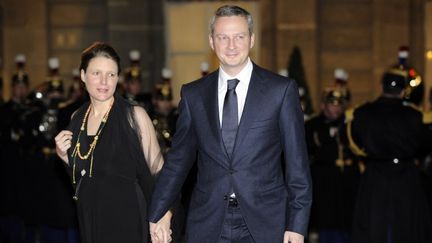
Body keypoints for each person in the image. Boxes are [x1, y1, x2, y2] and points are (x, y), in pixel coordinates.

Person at [148, 5, 312, 243]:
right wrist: (159, 211)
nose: (231, 45)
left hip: (266, 222)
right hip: (208, 221)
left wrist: (297, 226)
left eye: (239, 36)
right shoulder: (194, 95)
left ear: (252, 39)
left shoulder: (281, 91)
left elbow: (298, 165)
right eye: (223, 37)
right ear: (212, 42)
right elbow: (178, 160)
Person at [54, 42, 172, 243]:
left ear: (118, 78)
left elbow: (160, 172)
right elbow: (82, 180)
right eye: (96, 73)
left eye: (111, 74)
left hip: (128, 218)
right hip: (90, 218)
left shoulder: (134, 116)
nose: (104, 81)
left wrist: (164, 215)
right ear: (82, 75)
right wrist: (65, 157)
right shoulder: (77, 118)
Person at [346, 68, 432, 243]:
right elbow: (426, 144)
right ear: (403, 91)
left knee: (373, 223)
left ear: (381, 86)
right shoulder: (415, 115)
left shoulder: (362, 113)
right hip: (406, 174)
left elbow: (352, 142)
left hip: (375, 174)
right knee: (407, 225)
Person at [305, 88, 359, 243]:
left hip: (347, 179)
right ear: (323, 106)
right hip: (324, 180)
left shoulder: (350, 124)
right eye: (332, 104)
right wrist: (328, 135)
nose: (336, 108)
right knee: (326, 219)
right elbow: (309, 147)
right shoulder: (313, 125)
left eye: (339, 104)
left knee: (348, 218)